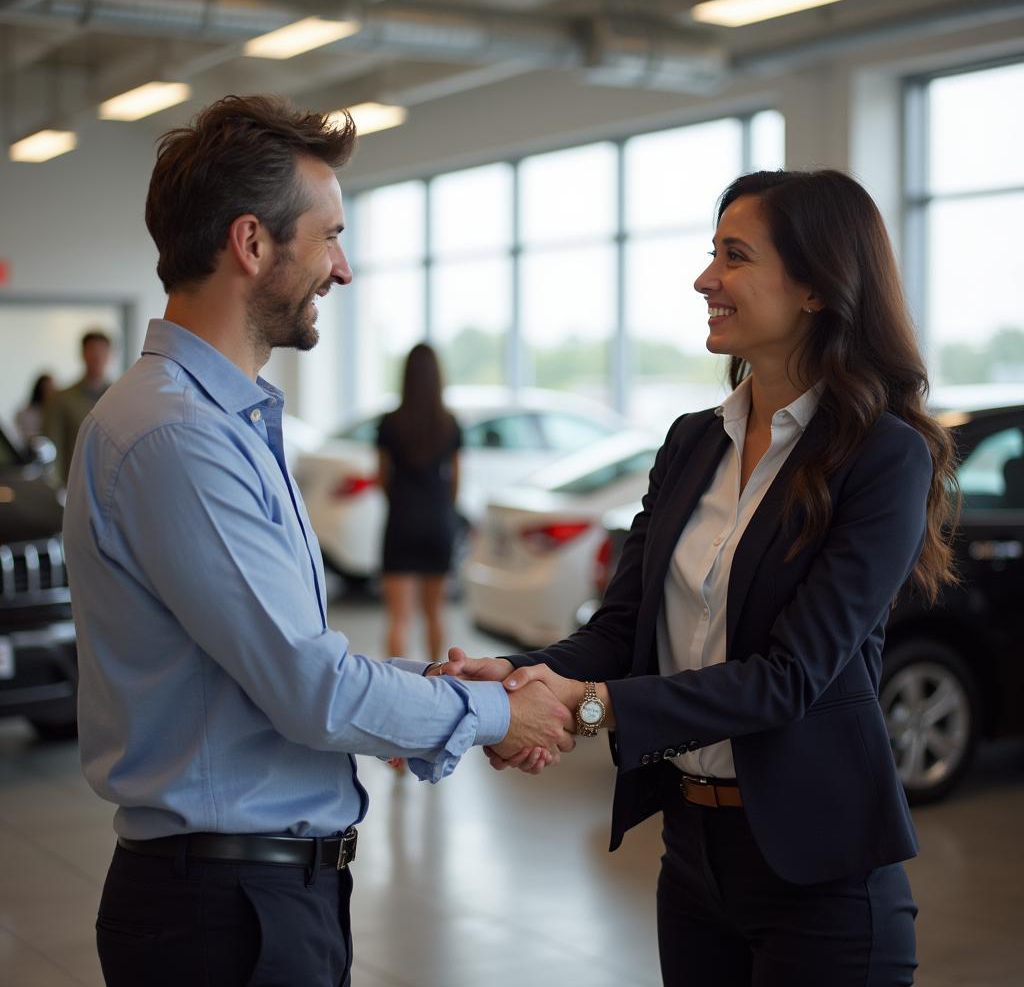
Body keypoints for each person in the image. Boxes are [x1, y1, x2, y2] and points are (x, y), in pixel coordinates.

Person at [62, 94, 574, 987]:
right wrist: (497, 712)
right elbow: (310, 691)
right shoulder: (176, 437)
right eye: (329, 235)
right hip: (223, 918)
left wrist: (440, 686)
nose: (344, 268)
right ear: (252, 244)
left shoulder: (219, 422)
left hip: (255, 897)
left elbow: (284, 664)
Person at [445, 169, 959, 986]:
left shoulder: (885, 456)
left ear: (817, 287)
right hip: (690, 852)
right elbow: (623, 628)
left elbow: (789, 679)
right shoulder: (692, 442)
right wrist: (522, 675)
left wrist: (584, 709)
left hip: (820, 872)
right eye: (711, 253)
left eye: (735, 256)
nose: (705, 279)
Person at [377, 343, 462, 664]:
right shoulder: (449, 423)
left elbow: (383, 475)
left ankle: (396, 684)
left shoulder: (390, 423)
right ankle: (437, 681)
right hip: (438, 522)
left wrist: (399, 501)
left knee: (399, 617)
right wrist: (443, 509)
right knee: (434, 613)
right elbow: (456, 478)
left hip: (401, 520)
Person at [44, 330, 112, 482]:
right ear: (83, 354)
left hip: (110, 486)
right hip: (74, 485)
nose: (97, 356)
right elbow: (54, 450)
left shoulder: (119, 397)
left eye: (101, 351)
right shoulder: (61, 399)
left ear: (109, 355)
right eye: (92, 350)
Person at [14, 371, 55, 444]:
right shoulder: (26, 413)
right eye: (46, 389)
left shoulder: (56, 412)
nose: (49, 393)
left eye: (51, 389)